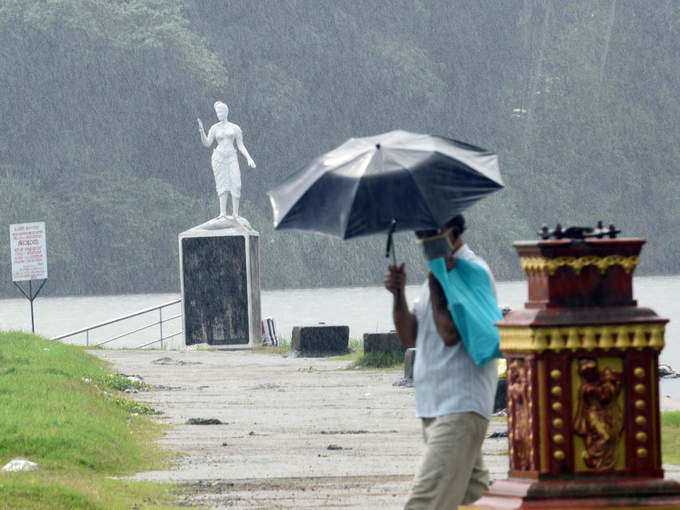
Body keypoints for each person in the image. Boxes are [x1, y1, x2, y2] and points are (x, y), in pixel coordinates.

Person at [384, 214, 498, 509]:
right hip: (434, 406)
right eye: (420, 232)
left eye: (429, 232)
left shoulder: (472, 271)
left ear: (451, 230)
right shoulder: (436, 276)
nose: (423, 239)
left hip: (460, 407)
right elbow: (409, 335)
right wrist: (399, 294)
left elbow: (450, 333)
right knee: (475, 498)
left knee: (424, 502)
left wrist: (439, 279)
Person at [197, 101, 256, 219]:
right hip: (218, 158)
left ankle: (235, 214)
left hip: (231, 157)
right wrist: (202, 131)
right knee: (222, 184)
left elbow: (240, 145)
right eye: (217, 112)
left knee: (236, 183)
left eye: (220, 112)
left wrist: (249, 158)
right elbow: (207, 143)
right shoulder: (214, 128)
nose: (219, 114)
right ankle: (222, 213)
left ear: (226, 112)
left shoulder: (235, 128)